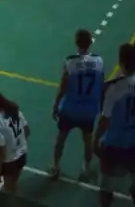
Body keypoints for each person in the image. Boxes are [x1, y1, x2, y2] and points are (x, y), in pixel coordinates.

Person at [94, 43, 135, 207]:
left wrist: (96, 140)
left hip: (113, 141)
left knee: (106, 183)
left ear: (120, 62)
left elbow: (104, 119)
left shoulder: (113, 88)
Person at [49, 29, 104, 180]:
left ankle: (55, 166)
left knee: (61, 138)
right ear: (90, 43)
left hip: (70, 109)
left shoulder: (70, 62)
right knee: (87, 140)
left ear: (76, 43)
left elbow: (63, 87)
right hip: (88, 110)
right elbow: (101, 85)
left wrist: (56, 104)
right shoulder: (98, 61)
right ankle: (86, 168)